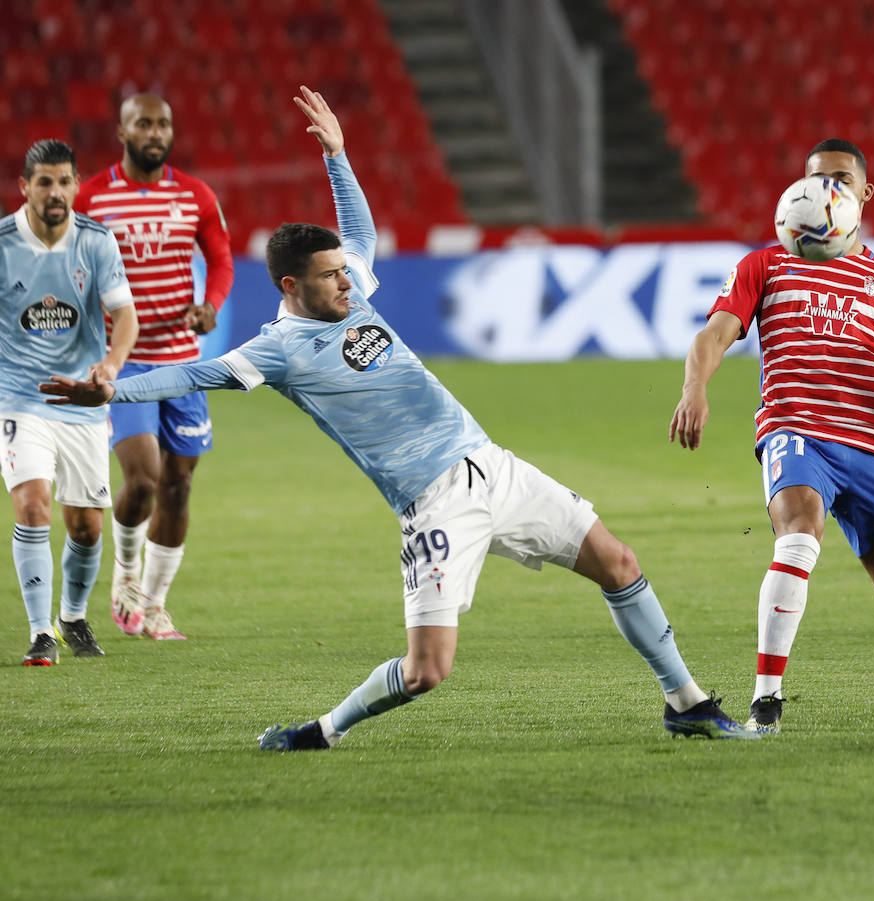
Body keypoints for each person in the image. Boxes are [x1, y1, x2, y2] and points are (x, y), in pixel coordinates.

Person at [45, 87, 753, 746]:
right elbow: (190, 372)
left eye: (346, 272)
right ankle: (322, 730)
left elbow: (360, 230)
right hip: (434, 505)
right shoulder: (277, 350)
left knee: (619, 562)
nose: (347, 281)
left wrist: (337, 154)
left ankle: (685, 703)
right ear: (293, 287)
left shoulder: (353, 292)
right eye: (331, 276)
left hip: (492, 465)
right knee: (427, 672)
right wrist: (111, 389)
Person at [669, 138, 874, 735]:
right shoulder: (764, 265)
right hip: (794, 431)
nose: (830, 190)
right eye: (818, 179)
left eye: (842, 180)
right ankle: (766, 701)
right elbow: (714, 335)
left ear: (864, 192)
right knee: (799, 536)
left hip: (870, 451)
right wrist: (695, 387)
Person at [74, 94, 234, 638]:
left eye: (164, 122)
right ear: (122, 131)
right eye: (144, 123)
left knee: (179, 487)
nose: (156, 132)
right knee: (144, 479)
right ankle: (125, 576)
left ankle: (155, 602)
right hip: (127, 363)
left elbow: (220, 258)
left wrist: (210, 304)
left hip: (184, 363)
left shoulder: (194, 195)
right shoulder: (93, 197)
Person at [2, 140, 138, 665]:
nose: (55, 192)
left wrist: (111, 365)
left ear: (77, 185)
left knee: (86, 525)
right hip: (19, 399)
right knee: (33, 506)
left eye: (64, 182)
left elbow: (124, 316)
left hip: (82, 400)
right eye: (44, 182)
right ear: (25, 187)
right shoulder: (2, 244)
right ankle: (40, 634)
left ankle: (73, 618)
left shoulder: (96, 242)